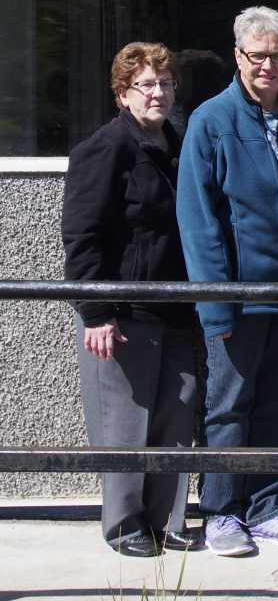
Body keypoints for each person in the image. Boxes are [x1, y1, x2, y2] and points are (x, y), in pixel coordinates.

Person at [176, 5, 278, 557]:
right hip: (239, 299)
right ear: (238, 56)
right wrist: (216, 303)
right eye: (258, 55)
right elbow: (198, 221)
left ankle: (266, 508)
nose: (268, 65)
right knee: (228, 406)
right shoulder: (210, 121)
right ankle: (221, 512)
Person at [61, 42, 201, 558]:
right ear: (123, 94)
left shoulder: (176, 143)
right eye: (146, 84)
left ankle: (168, 518)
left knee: (176, 413)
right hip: (121, 313)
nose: (159, 93)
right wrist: (95, 311)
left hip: (174, 308)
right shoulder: (107, 147)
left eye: (165, 83)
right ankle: (124, 524)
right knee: (124, 422)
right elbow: (81, 235)